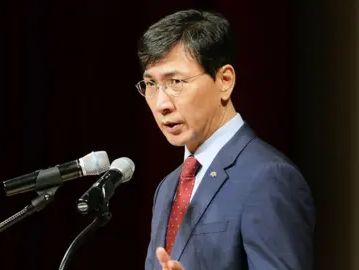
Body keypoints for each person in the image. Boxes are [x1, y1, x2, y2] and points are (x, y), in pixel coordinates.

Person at [135, 9, 315, 270]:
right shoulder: (168, 187)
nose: (161, 103)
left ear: (224, 80)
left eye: (175, 81)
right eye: (151, 84)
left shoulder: (269, 177)